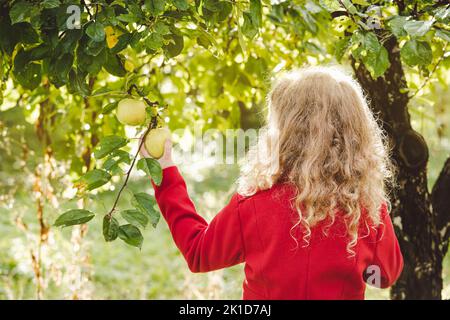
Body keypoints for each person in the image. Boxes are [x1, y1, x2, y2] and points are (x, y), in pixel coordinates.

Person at [140, 66, 404, 300]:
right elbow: (384, 277)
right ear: (355, 134)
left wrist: (165, 171)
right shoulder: (367, 210)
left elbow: (199, 253)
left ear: (284, 132)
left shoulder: (254, 203)